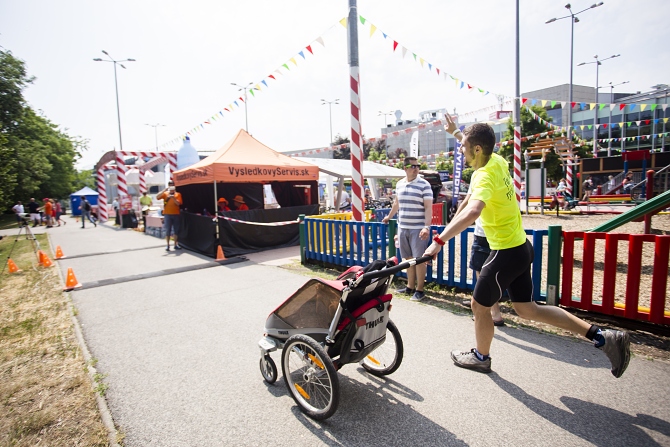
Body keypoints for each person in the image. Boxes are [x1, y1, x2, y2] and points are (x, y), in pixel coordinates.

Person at [423, 118, 630, 378]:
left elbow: (473, 210)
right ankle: (602, 336)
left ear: (477, 150)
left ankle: (480, 356)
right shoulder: (496, 160)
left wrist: (438, 242)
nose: (460, 151)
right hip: (521, 248)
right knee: (527, 309)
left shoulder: (484, 175)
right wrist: (456, 132)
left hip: (505, 253)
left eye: (463, 146)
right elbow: (475, 146)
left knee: (478, 305)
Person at [381, 156, 433, 302]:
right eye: (413, 166)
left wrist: (426, 227)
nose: (416, 168)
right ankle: (410, 287)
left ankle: (420, 290)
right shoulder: (399, 184)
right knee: (408, 259)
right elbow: (397, 204)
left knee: (420, 260)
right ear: (405, 168)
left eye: (418, 166)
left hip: (418, 228)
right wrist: (389, 216)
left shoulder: (424, 184)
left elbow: (429, 207)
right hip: (403, 227)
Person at [458, 186, 504, 326]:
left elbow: (468, 203)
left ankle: (493, 312)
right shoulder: (502, 172)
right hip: (502, 232)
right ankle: (479, 303)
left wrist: (454, 222)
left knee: (483, 273)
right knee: (493, 273)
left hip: (485, 233)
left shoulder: (481, 174)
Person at [157, 181, 183, 251]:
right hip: (167, 214)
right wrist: (165, 190)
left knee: (176, 230)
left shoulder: (178, 194)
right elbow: (157, 197)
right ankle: (167, 245)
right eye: (170, 186)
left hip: (176, 214)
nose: (171, 187)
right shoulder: (165, 194)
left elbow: (178, 203)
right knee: (167, 230)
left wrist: (173, 197)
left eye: (172, 186)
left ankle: (175, 244)